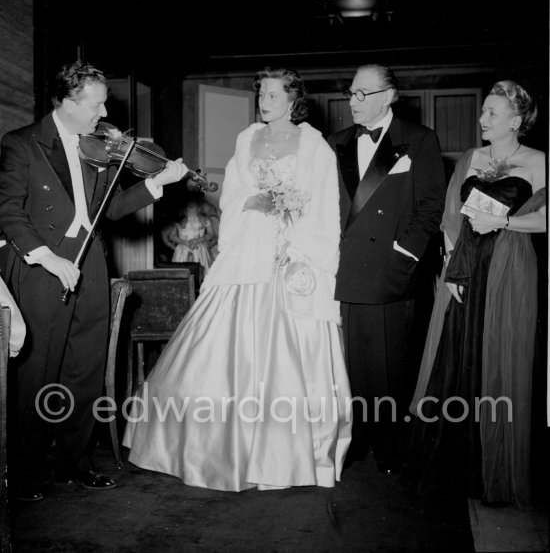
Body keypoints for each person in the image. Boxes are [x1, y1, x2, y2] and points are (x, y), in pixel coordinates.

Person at [123, 67, 352, 491]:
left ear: (292, 99)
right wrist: (258, 204)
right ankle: (211, 448)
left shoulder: (314, 144)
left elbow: (324, 205)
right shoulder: (247, 138)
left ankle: (284, 455)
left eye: (272, 95)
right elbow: (233, 195)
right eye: (261, 94)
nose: (264, 101)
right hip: (249, 244)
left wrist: (296, 235)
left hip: (293, 248)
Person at [0, 60, 188, 502]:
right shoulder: (22, 144)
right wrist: (46, 258)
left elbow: (112, 210)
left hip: (91, 265)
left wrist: (157, 183)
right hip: (39, 267)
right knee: (36, 371)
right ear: (68, 103)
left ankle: (74, 461)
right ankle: (24, 470)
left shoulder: (97, 149)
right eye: (97, 105)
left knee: (84, 369)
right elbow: (8, 210)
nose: (104, 114)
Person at [405, 80, 546, 509]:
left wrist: (503, 224)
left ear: (516, 121)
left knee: (501, 355)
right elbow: (451, 219)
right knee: (454, 356)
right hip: (465, 266)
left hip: (509, 267)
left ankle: (496, 471)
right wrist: (451, 268)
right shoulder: (471, 158)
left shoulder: (537, 161)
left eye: (491, 113)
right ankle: (448, 467)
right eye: (483, 111)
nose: (482, 119)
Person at [327, 64, 446, 475]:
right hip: (342, 270)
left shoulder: (419, 140)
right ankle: (355, 436)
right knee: (348, 362)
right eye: (351, 92)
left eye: (363, 93)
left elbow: (432, 208)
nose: (353, 101)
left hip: (389, 271)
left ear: (389, 96)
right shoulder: (335, 142)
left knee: (388, 363)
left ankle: (388, 440)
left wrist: (405, 255)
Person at [165, 200, 215, 273]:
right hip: (182, 251)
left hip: (199, 250)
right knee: (182, 274)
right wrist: (185, 242)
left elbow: (211, 234)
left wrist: (198, 240)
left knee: (202, 273)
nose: (191, 203)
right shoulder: (180, 219)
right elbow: (172, 236)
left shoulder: (204, 218)